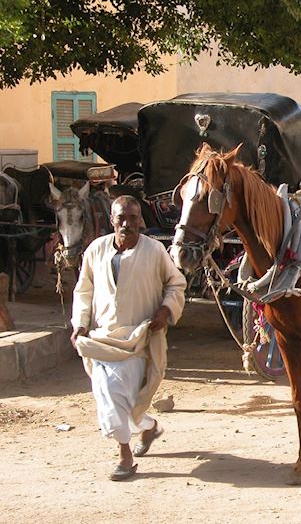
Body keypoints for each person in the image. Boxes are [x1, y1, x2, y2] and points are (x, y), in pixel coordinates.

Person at [71, 195, 186, 481]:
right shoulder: (96, 250)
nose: (127, 224)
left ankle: (147, 427)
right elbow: (83, 291)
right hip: (101, 339)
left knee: (128, 399)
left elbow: (176, 284)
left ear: (140, 221)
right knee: (108, 393)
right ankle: (125, 453)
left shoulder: (155, 251)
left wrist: (165, 310)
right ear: (112, 220)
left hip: (139, 339)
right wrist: (80, 324)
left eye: (133, 219)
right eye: (121, 218)